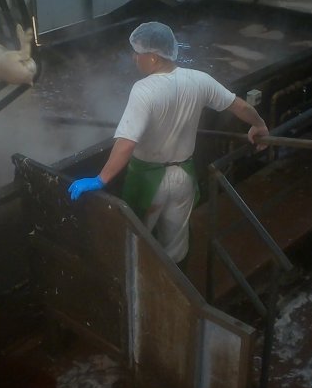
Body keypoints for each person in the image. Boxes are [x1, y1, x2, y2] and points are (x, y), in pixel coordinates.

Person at [67, 22, 269, 264]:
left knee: (137, 242)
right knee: (175, 247)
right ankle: (176, 293)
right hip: (184, 177)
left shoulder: (143, 90)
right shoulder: (199, 79)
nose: (134, 58)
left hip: (148, 181)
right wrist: (259, 125)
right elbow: (241, 106)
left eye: (138, 53)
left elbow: (127, 144)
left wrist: (101, 179)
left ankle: (142, 295)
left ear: (153, 58)